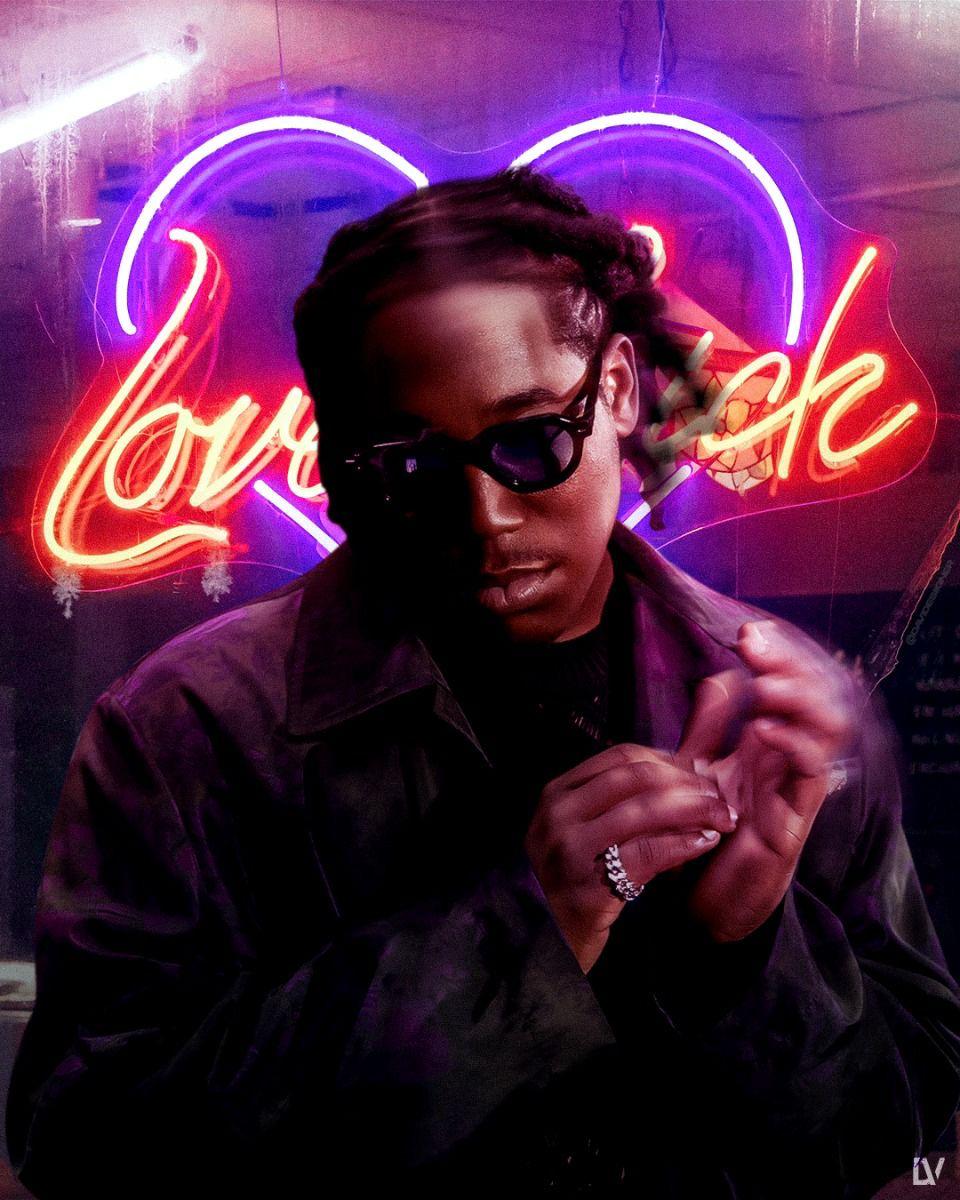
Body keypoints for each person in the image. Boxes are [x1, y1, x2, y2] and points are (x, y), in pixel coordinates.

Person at [6, 167, 960, 1200]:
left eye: (532, 440)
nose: (485, 519)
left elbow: (903, 1111)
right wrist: (525, 935)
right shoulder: (186, 730)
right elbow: (83, 1143)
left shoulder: (773, 705)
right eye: (411, 465)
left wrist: (751, 952)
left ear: (621, 390)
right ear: (342, 461)